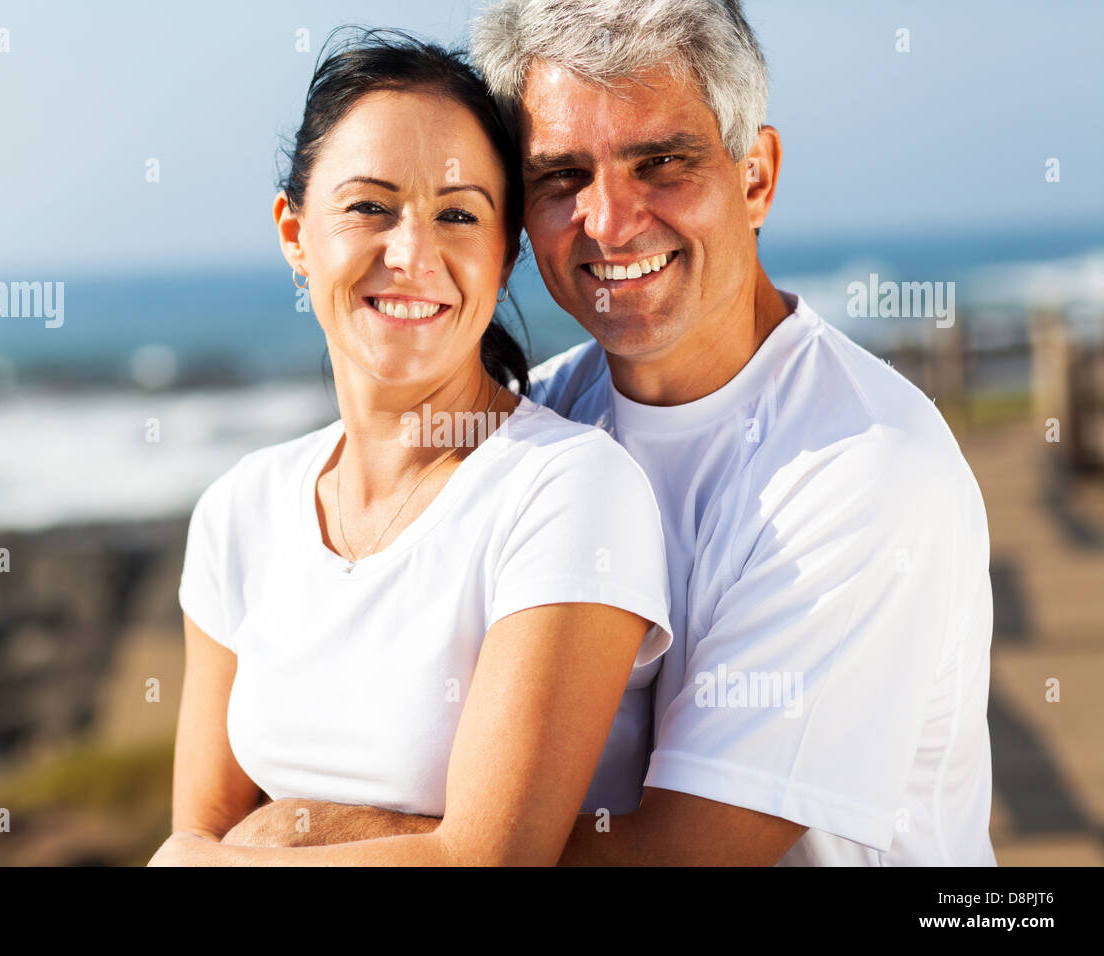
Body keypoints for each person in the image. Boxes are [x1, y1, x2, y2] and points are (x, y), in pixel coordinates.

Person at [225, 0, 997, 866]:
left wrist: (297, 835)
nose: (609, 221)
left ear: (755, 178)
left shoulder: (867, 468)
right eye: (561, 176)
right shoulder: (538, 433)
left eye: (661, 163)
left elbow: (682, 857)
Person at [148, 28, 673, 867]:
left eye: (458, 214)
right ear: (294, 233)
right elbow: (196, 831)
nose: (413, 254)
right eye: (369, 207)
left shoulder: (567, 490)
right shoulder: (240, 510)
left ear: (503, 256)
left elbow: (493, 860)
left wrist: (278, 833)